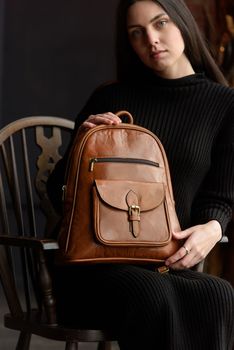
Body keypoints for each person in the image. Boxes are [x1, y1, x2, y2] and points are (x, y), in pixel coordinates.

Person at [47, 0, 234, 349]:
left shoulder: (224, 104)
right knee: (151, 293)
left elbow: (220, 195)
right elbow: (58, 192)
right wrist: (81, 145)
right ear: (129, 43)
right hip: (91, 266)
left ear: (182, 22)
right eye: (137, 32)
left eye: (160, 23)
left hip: (164, 261)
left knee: (218, 293)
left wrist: (213, 227)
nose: (151, 39)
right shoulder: (110, 96)